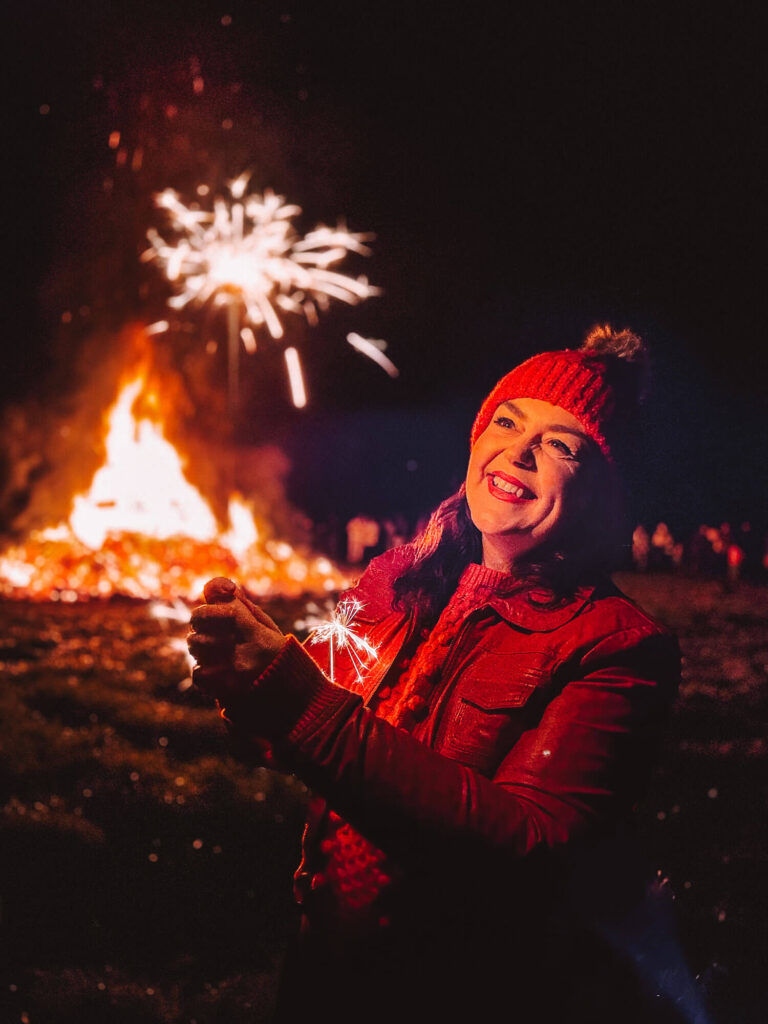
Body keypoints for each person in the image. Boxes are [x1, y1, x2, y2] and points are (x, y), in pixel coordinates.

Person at [188, 325, 688, 1023]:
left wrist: (295, 702)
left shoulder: (618, 647)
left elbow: (529, 844)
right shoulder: (399, 577)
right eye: (507, 421)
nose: (517, 451)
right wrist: (250, 676)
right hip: (323, 963)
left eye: (561, 444)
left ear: (605, 493)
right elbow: (304, 723)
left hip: (461, 991)